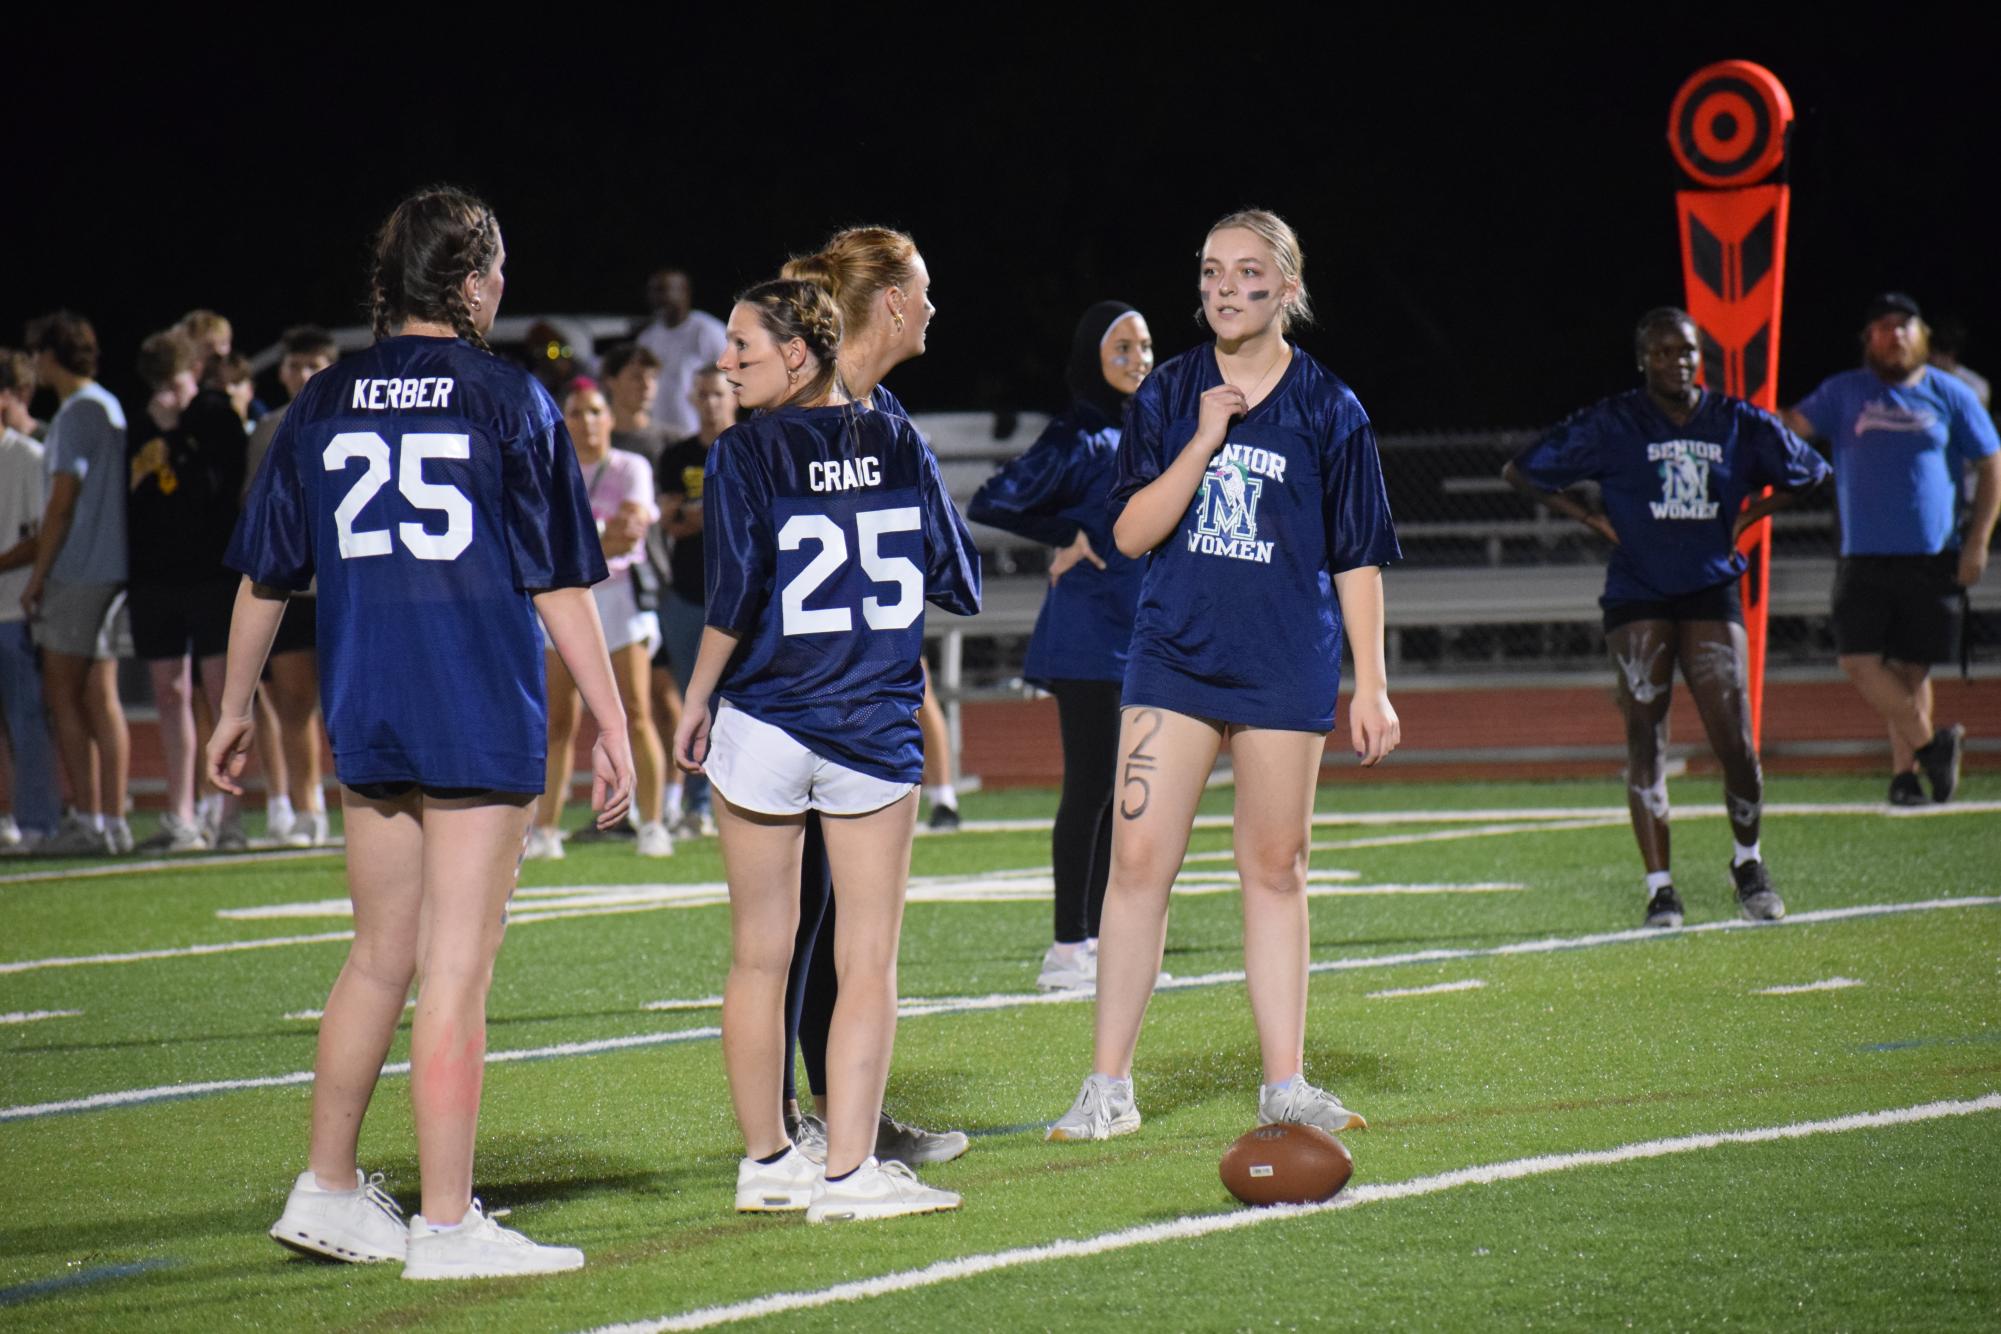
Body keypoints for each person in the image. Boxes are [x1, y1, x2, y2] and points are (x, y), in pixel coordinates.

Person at [208, 186, 631, 1279]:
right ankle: (447, 1223)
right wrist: (615, 723)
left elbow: (267, 574)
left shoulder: (320, 400)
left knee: (377, 956)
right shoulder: (509, 399)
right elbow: (562, 581)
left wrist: (229, 706)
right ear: (473, 277)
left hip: (368, 702)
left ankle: (331, 1183)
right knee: (455, 967)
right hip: (476, 701)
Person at [1047, 209, 1401, 1142]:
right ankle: (1107, 1086)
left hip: (1285, 663)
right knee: (1136, 865)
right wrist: (1202, 440)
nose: (1224, 288)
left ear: (1287, 288)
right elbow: (1127, 533)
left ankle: (1284, 1082)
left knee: (1275, 869)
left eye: (1248, 273)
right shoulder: (1167, 394)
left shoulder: (1332, 407)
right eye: (1210, 272)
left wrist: (1370, 682)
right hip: (1172, 661)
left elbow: (1357, 556)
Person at [673, 276, 980, 1221]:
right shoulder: (897, 437)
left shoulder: (742, 454)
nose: (723, 362)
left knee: (759, 958)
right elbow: (957, 579)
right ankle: (849, 1172)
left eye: (742, 348)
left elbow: (731, 598)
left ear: (797, 355)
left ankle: (768, 1161)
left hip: (763, 720)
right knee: (867, 957)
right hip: (871, 727)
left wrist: (694, 699)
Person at [1503, 308, 1829, 926]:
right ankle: (1660, 889)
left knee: (1734, 736)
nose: (1675, 363)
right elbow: (1521, 470)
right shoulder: (1615, 420)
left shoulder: (1736, 421)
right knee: (1645, 737)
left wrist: (1749, 517)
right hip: (1638, 593)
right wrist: (1594, 520)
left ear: (1699, 356)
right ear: (1642, 359)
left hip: (1711, 588)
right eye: (1661, 353)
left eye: (1685, 352)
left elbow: (1813, 471)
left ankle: (1748, 862)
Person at [778, 226, 972, 1166]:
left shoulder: (790, 402)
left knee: (806, 925)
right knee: (814, 933)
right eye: (924, 289)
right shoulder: (879, 425)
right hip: (837, 706)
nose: (934, 305)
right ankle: (798, 1132)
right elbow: (959, 579)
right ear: (890, 302)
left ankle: (806, 1129)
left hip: (778, 705)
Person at [970, 301, 1152, 989]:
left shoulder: (1151, 425)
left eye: (1144, 346)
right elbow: (993, 500)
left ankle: (1106, 944)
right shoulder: (1078, 433)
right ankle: (1066, 950)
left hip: (1139, 631)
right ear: (1092, 356)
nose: (1137, 359)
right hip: (1086, 634)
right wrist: (1063, 535)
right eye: (1122, 348)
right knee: (1092, 789)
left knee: (1128, 795)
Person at [1783, 293, 2001, 806]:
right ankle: (1933, 745)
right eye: (1883, 327)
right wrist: (1739, 402)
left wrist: (1978, 541)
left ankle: (1906, 777)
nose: (1895, 335)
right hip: (1863, 554)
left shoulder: (1950, 394)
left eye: (1905, 326)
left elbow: (1991, 465)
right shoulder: (1843, 392)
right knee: (1858, 661)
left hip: (1932, 555)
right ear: (1868, 340)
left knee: (1910, 669)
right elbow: (1791, 424)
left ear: (1922, 336)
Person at [526, 377, 671, 859]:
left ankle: (652, 822)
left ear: (609, 418)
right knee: (559, 722)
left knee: (636, 712)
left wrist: (582, 535)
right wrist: (599, 533)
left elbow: (627, 537)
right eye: (576, 412)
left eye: (594, 412)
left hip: (617, 600)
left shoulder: (632, 466)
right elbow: (550, 541)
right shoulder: (550, 471)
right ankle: (546, 829)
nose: (586, 422)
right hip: (564, 601)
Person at [127, 328, 251, 852]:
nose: (168, 392)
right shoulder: (137, 425)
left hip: (210, 574)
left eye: (174, 379)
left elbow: (225, 489)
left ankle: (229, 815)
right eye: (159, 383)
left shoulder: (216, 417)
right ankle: (180, 815)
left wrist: (179, 434)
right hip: (155, 578)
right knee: (169, 693)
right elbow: (133, 499)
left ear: (193, 373)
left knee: (224, 696)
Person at [21, 311, 132, 856]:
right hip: (109, 570)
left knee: (60, 693)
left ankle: (89, 818)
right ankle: (112, 820)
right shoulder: (107, 404)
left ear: (50, 354)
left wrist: (37, 576)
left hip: (77, 570)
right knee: (100, 697)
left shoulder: (76, 411)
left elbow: (62, 502)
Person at [244, 325, 341, 847]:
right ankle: (309, 809)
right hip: (295, 587)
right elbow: (256, 509)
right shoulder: (269, 428)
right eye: (295, 365)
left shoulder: (355, 419)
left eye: (314, 364)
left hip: (349, 586)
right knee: (294, 702)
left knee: (354, 700)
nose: (304, 375)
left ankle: (371, 803)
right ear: (281, 372)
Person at [654, 363, 735, 838]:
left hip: (741, 594)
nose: (710, 403)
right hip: (687, 593)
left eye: (718, 394)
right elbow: (671, 521)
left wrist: (694, 510)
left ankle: (734, 797)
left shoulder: (749, 444)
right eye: (703, 395)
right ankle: (698, 803)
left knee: (740, 700)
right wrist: (718, 506)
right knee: (695, 701)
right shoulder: (677, 454)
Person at [0, 348, 59, 850]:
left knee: (27, 721)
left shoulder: (29, 457)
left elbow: (42, 535)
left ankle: (38, 821)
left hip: (13, 611)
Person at [635, 268, 726, 441]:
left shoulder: (708, 331)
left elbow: (731, 381)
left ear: (685, 292)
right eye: (652, 291)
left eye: (663, 290)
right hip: (655, 434)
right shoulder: (646, 338)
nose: (656, 298)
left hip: (696, 432)